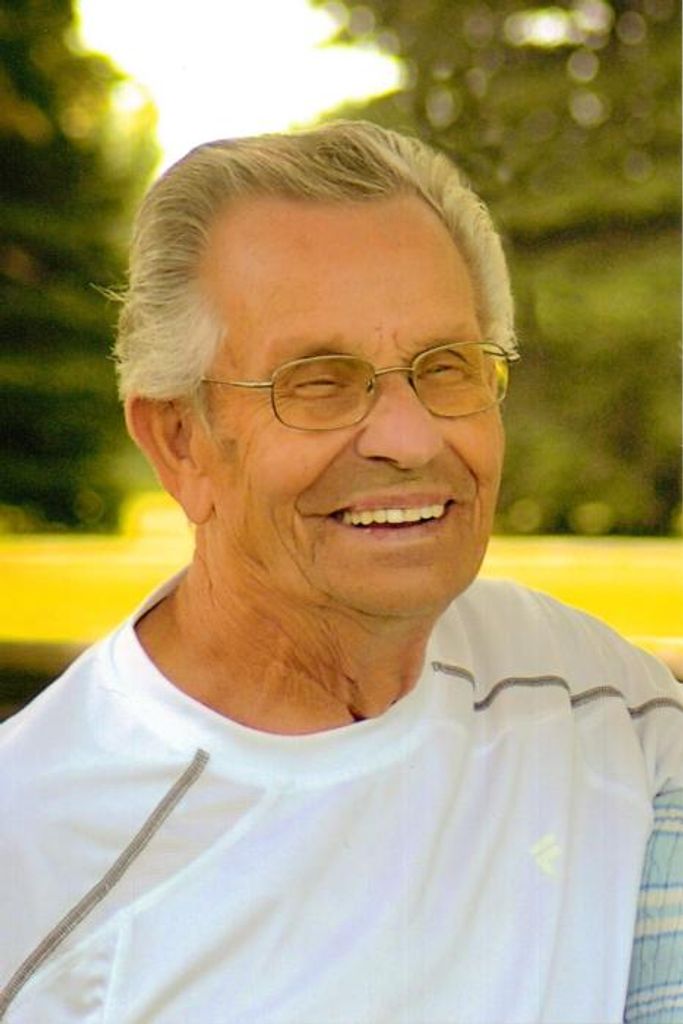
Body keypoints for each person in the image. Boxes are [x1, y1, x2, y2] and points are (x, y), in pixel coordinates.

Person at [1, 121, 681, 1024]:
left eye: (446, 368)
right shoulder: (34, 851)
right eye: (318, 382)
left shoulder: (604, 707)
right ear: (179, 441)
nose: (408, 439)